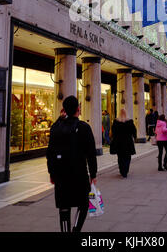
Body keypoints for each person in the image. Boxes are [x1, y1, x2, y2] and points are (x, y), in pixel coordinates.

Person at [46, 96, 97, 233]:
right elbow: (91, 153)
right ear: (78, 109)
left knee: (64, 206)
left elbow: (50, 152)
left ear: (64, 110)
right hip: (78, 173)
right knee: (84, 203)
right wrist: (93, 174)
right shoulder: (84, 127)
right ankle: (76, 229)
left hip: (60, 174)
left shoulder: (56, 127)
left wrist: (51, 173)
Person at [110, 109, 137, 178]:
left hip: (119, 142)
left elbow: (113, 131)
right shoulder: (129, 121)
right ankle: (125, 170)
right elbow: (134, 130)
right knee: (127, 157)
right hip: (128, 142)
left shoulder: (116, 121)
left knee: (120, 156)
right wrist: (134, 137)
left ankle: (122, 170)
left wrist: (113, 137)